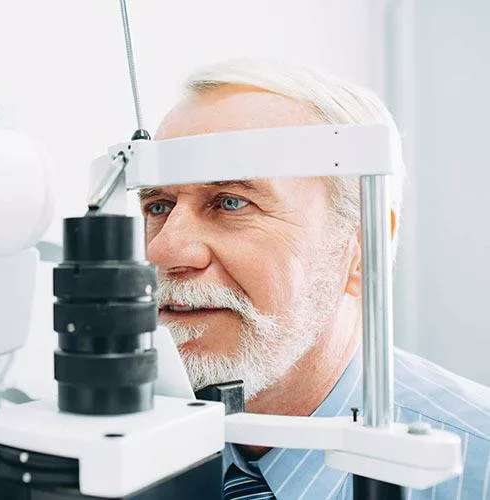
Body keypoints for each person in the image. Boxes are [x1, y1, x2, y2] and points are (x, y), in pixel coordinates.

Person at [143, 58, 490, 499]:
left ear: (363, 247)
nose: (164, 251)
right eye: (157, 207)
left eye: (230, 203)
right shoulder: (111, 450)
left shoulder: (478, 468)